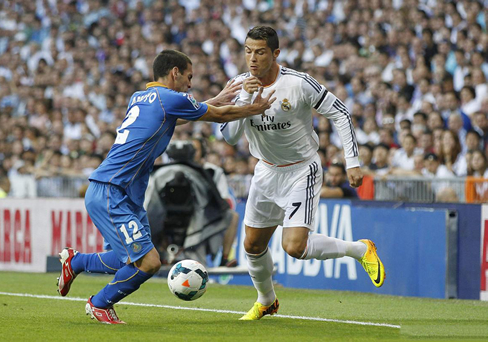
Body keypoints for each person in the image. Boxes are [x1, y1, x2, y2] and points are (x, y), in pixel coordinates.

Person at [56, 49, 275, 324]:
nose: (190, 84)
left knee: (129, 258)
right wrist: (253, 109)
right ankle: (99, 303)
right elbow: (216, 116)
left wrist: (217, 99)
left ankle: (75, 262)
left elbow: (180, 115)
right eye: (189, 77)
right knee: (148, 263)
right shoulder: (169, 98)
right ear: (175, 73)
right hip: (111, 190)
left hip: (127, 194)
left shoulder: (142, 97)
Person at [220, 26, 385, 321]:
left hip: (301, 170)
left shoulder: (298, 84)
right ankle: (266, 300)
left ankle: (360, 250)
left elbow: (341, 113)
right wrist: (244, 101)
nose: (252, 59)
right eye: (248, 51)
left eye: (259, 52)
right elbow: (229, 138)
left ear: (275, 53)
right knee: (252, 245)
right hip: (265, 171)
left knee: (294, 247)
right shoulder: (239, 85)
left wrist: (352, 161)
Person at [192, 137, 239, 267]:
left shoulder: (213, 171)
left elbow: (226, 200)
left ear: (202, 152)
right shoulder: (175, 168)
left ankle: (224, 258)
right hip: (181, 216)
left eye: (195, 150)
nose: (192, 152)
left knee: (233, 216)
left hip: (208, 216)